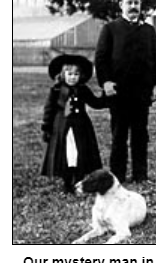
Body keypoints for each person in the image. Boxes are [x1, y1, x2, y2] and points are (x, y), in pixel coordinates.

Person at [95, 0, 156, 183]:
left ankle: (140, 175)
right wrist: (105, 82)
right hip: (118, 93)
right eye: (129, 2)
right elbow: (100, 58)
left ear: (140, 4)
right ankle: (117, 176)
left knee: (140, 136)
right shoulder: (110, 29)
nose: (133, 6)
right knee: (118, 136)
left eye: (136, 2)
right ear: (121, 4)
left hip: (142, 94)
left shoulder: (148, 30)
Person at [41, 54, 109, 193]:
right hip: (62, 127)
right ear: (63, 74)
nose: (73, 77)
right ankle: (67, 183)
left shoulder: (83, 90)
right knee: (67, 154)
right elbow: (49, 110)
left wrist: (106, 95)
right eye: (69, 74)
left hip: (80, 127)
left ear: (81, 76)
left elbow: (95, 103)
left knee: (79, 153)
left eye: (76, 74)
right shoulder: (56, 90)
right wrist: (46, 128)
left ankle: (78, 181)